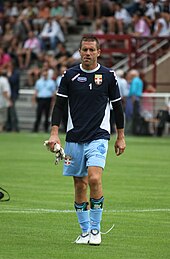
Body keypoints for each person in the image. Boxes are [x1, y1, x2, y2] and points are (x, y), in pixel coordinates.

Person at [47, 36, 126, 245]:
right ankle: (84, 233)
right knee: (80, 185)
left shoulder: (108, 76)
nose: (88, 53)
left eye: (92, 50)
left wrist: (121, 137)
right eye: (84, 50)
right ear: (80, 52)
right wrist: (54, 134)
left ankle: (96, 230)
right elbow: (59, 107)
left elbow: (118, 107)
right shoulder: (69, 75)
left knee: (94, 179)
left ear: (98, 52)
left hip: (99, 136)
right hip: (74, 137)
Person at [32, 68, 56, 133]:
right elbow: (36, 91)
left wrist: (53, 102)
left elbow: (53, 93)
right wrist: (34, 99)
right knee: (38, 114)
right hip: (40, 99)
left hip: (48, 99)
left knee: (47, 114)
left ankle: (46, 129)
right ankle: (35, 128)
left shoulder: (51, 82)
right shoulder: (39, 82)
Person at [0, 67, 11, 132]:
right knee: (3, 117)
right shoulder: (4, 81)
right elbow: (5, 92)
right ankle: (1, 129)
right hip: (2, 101)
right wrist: (9, 100)